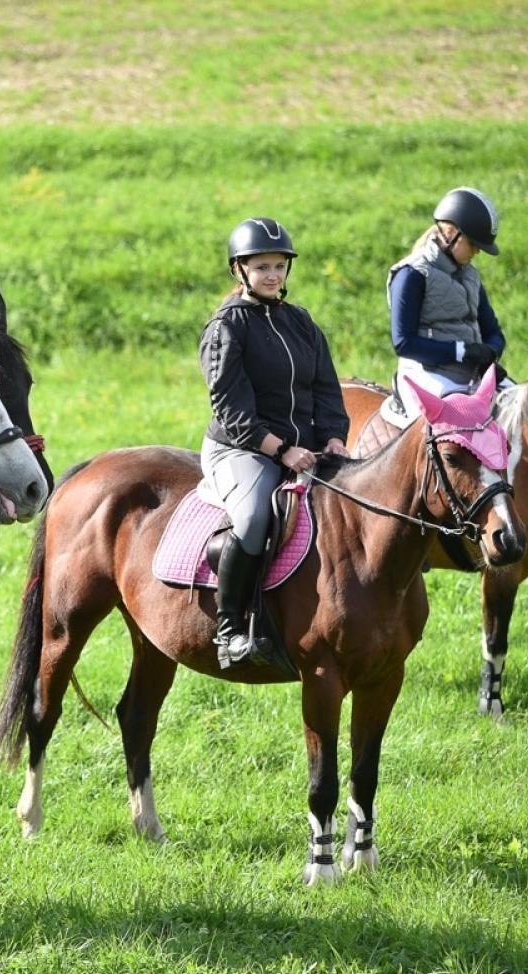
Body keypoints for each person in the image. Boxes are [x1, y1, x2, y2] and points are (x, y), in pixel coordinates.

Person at [199, 217, 349, 667]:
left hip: (304, 449)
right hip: (241, 449)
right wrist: (281, 451)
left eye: (279, 266)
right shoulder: (226, 328)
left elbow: (326, 388)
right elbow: (231, 409)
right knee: (252, 517)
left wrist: (335, 438)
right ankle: (229, 632)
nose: (272, 275)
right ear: (239, 270)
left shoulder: (300, 322)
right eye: (261, 266)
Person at [388, 186, 510, 403]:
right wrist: (462, 352)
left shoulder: (471, 276)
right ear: (452, 233)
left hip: (472, 375)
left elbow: (493, 331)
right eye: (473, 243)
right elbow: (403, 343)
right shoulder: (411, 274)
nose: (477, 251)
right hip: (426, 374)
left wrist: (490, 352)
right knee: (456, 425)